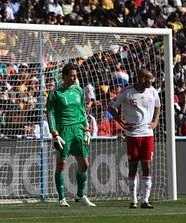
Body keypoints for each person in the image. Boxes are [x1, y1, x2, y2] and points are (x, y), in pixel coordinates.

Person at [108, 69, 161, 209]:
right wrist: (121, 122)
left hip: (148, 134)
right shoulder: (127, 92)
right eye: (150, 79)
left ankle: (145, 199)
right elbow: (112, 107)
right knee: (133, 166)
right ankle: (133, 199)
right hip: (132, 135)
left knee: (147, 166)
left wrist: (155, 122)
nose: (152, 81)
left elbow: (157, 107)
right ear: (142, 78)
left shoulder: (153, 91)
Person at [46, 63, 96, 207]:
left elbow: (82, 110)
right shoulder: (55, 93)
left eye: (76, 75)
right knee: (61, 164)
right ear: (65, 76)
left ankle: (80, 195)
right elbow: (50, 113)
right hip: (64, 131)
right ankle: (62, 198)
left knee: (85, 164)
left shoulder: (79, 90)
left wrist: (87, 129)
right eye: (72, 75)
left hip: (79, 130)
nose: (75, 78)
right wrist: (54, 133)